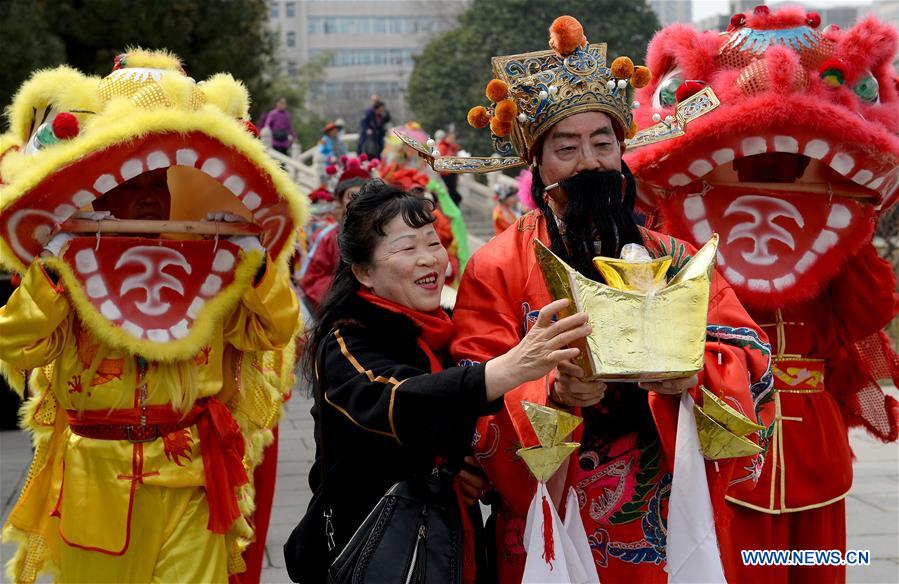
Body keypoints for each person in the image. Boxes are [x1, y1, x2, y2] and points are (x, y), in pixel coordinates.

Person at [436, 16, 773, 582]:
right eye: (565, 147)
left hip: (660, 506)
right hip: (546, 516)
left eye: (603, 143)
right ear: (536, 162)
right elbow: (474, 382)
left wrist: (695, 377)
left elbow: (750, 354)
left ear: (623, 150)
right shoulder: (497, 263)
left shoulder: (676, 256)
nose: (589, 162)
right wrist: (554, 391)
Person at [289, 181, 592, 582]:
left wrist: (472, 468)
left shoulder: (443, 329)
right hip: (375, 548)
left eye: (432, 244)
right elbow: (401, 399)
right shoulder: (346, 340)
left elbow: (472, 425)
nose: (429, 260)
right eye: (406, 249)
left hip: (447, 542)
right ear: (363, 272)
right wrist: (510, 367)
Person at [300, 160, 373, 310]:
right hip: (340, 306)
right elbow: (312, 279)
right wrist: (345, 292)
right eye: (351, 196)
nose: (358, 201)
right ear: (340, 201)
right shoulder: (327, 237)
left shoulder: (382, 233)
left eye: (364, 194)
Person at [436, 128, 463, 206]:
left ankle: (454, 204)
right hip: (446, 172)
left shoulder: (451, 146)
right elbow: (442, 158)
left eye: (453, 138)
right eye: (450, 138)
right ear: (446, 138)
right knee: (451, 190)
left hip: (453, 171)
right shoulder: (442, 146)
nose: (452, 140)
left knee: (453, 189)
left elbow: (457, 151)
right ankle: (455, 202)